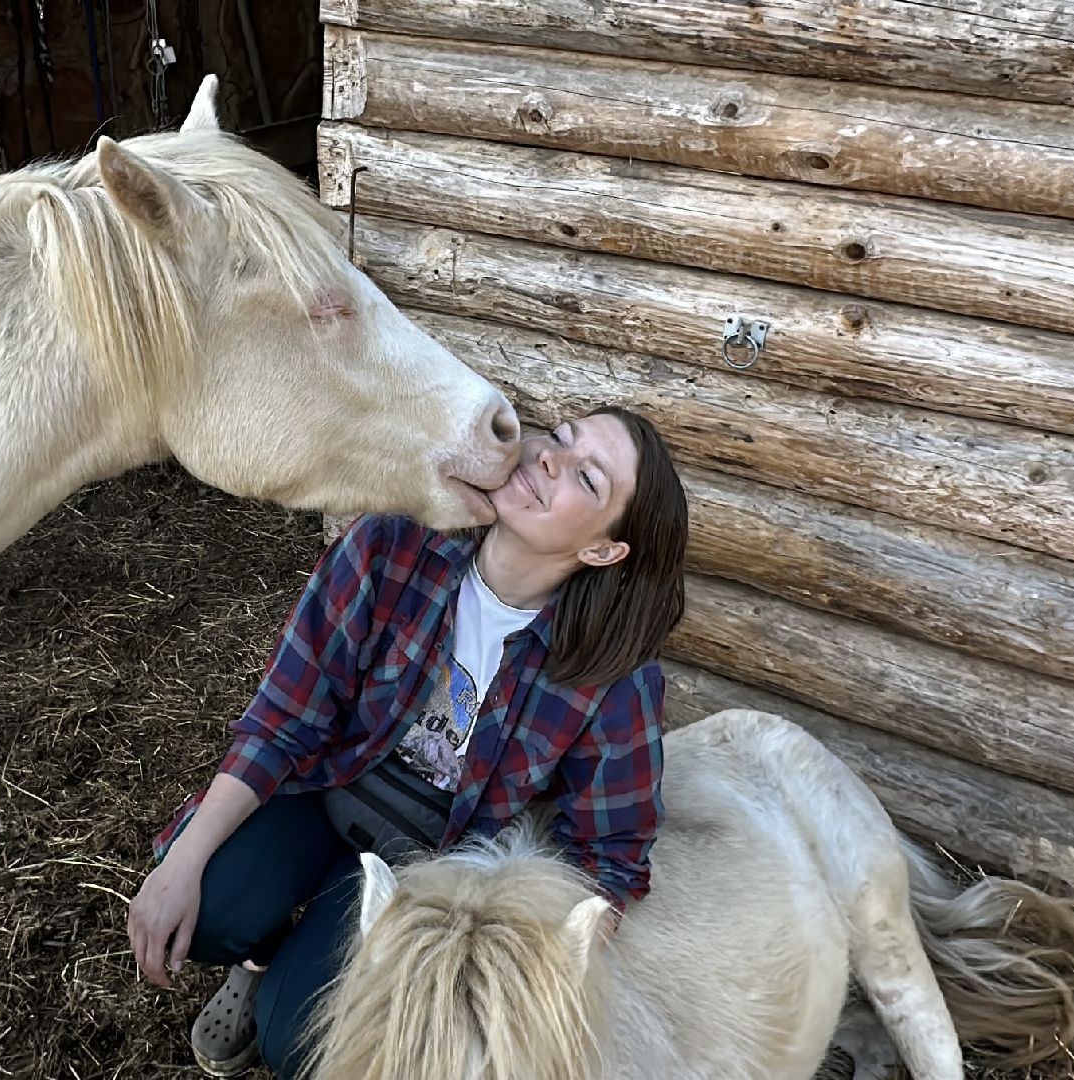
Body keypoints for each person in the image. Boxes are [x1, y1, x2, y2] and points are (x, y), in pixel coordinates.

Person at [127, 405, 689, 1078]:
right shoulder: (390, 547)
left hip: (435, 866)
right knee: (208, 900)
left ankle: (287, 977)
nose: (547, 458)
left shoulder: (611, 676)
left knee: (299, 1043)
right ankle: (258, 953)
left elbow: (609, 859)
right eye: (560, 438)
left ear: (601, 549)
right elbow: (284, 716)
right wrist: (181, 863)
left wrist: (525, 976)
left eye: (585, 477)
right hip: (328, 789)